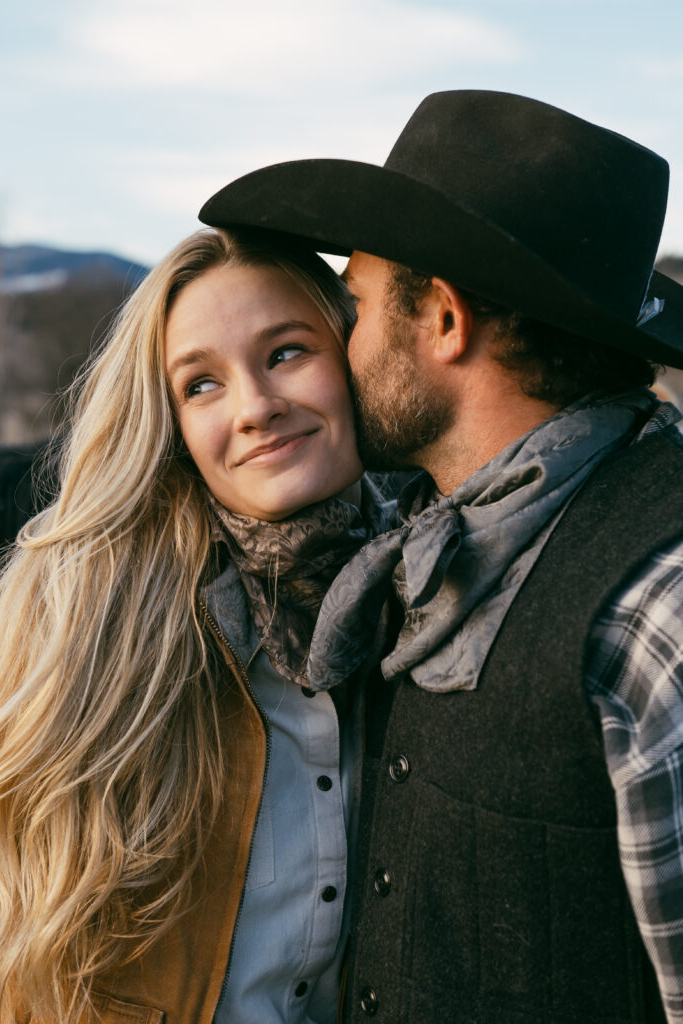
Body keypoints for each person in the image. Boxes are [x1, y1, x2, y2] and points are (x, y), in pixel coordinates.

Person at [199, 89, 683, 1022]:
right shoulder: (410, 542)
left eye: (358, 304)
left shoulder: (656, 604)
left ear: (445, 323)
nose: (338, 339)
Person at [0, 227, 385, 1024]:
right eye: (200, 385)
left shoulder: (432, 597)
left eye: (287, 352)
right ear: (171, 425)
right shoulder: (80, 618)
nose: (256, 408)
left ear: (352, 356)